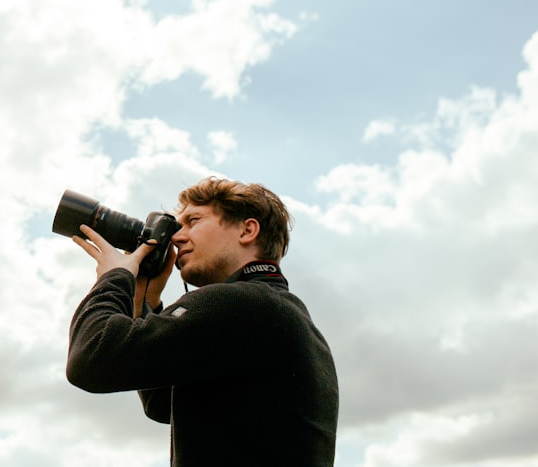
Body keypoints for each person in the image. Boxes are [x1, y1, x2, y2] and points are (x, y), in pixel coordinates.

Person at [66, 177, 338, 466]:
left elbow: (90, 360)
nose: (176, 237)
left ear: (247, 230)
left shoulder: (238, 303)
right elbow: (161, 402)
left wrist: (115, 277)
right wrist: (143, 301)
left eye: (192, 222)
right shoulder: (282, 314)